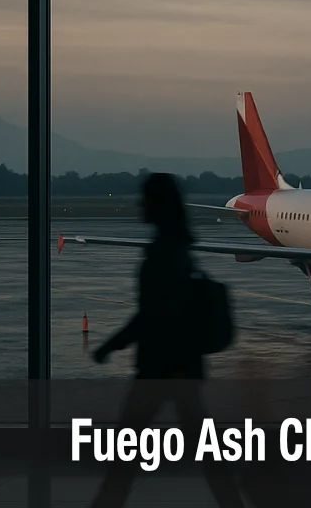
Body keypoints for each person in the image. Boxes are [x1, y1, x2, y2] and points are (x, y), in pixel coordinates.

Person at [90, 172, 244, 508]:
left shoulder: (164, 253)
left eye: (144, 199)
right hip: (181, 369)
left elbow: (154, 314)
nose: (139, 205)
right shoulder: (179, 246)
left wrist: (109, 345)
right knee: (206, 458)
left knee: (125, 458)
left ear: (157, 204)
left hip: (162, 369)